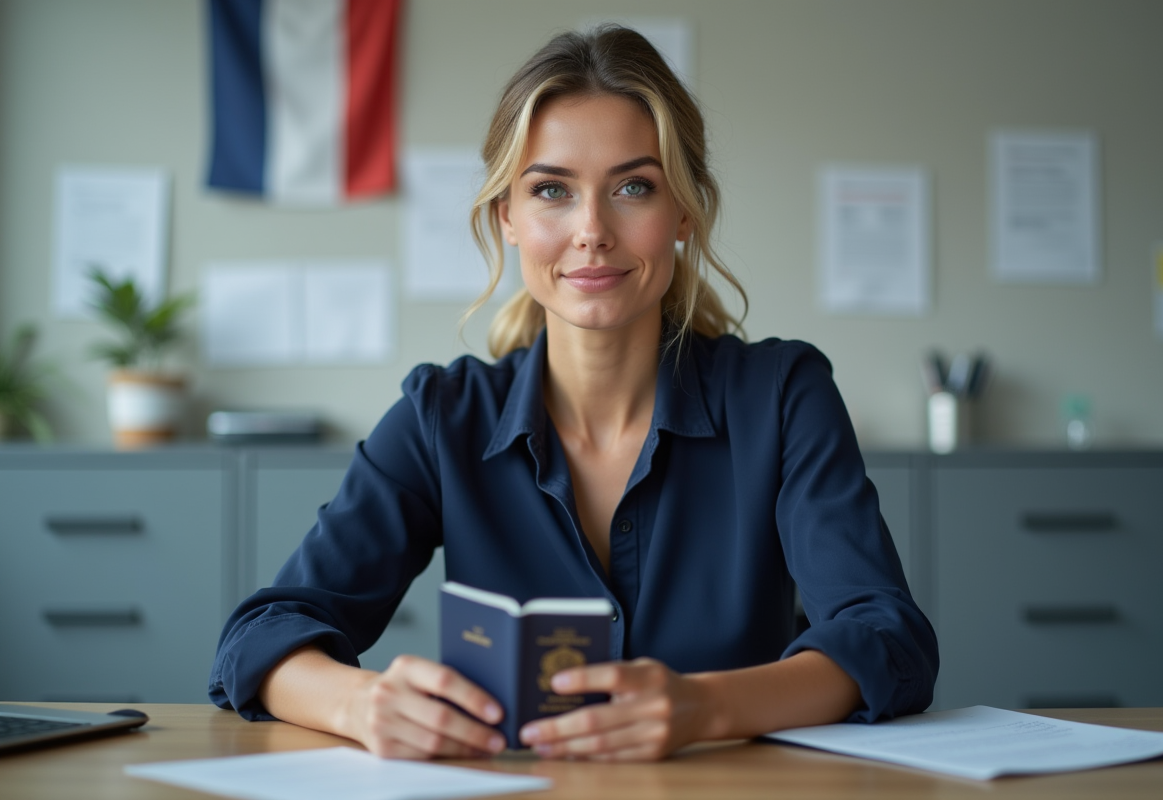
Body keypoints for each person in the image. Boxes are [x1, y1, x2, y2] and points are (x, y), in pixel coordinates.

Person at [209, 25, 938, 762]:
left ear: (683, 212)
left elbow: (888, 638)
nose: (591, 230)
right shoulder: (442, 417)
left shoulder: (782, 397)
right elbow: (259, 637)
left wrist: (705, 707)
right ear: (508, 216)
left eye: (633, 187)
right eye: (551, 190)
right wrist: (361, 704)